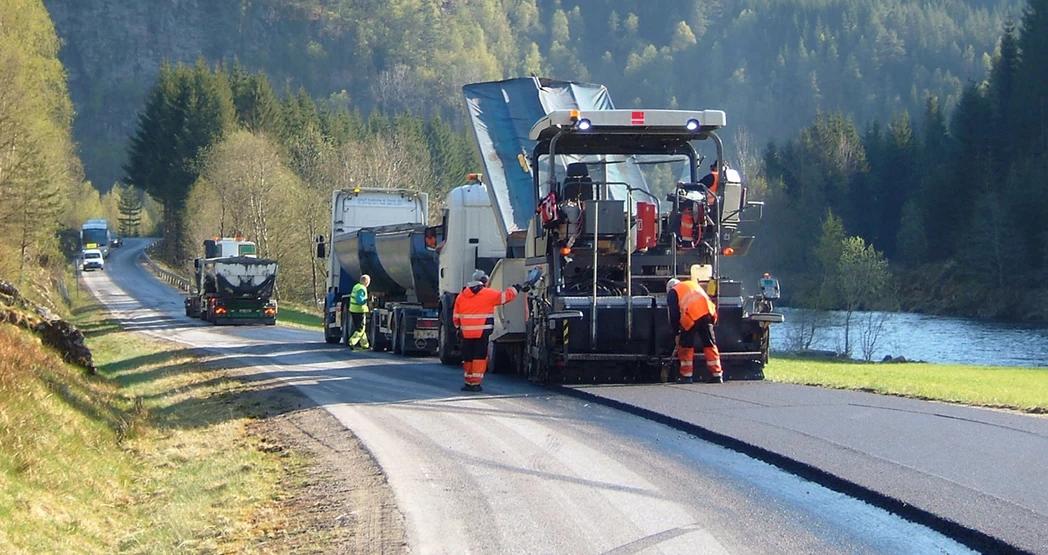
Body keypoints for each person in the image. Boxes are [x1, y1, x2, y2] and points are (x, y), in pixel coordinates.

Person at [453, 270, 518, 392]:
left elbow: (456, 317)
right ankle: (475, 383)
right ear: (483, 281)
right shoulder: (487, 294)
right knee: (479, 357)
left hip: (466, 333)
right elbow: (505, 297)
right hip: (482, 333)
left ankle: (468, 382)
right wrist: (515, 289)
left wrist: (458, 328)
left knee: (468, 358)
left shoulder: (461, 296)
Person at [666, 268, 722, 383]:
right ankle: (717, 375)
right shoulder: (692, 284)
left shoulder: (673, 292)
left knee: (686, 345)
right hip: (708, 313)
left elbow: (674, 314)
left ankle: (686, 376)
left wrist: (676, 333)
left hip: (691, 316)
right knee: (709, 344)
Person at [347, 274, 371, 350]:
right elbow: (359, 300)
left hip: (353, 309)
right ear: (366, 282)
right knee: (360, 329)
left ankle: (365, 344)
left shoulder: (356, 286)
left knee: (360, 328)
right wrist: (366, 300)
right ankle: (352, 341)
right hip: (359, 310)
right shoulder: (362, 288)